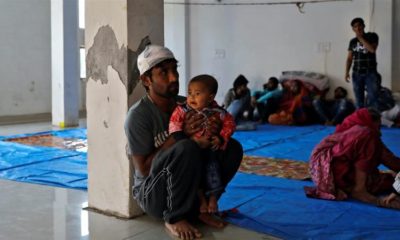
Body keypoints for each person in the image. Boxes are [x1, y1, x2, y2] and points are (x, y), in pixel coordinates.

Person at [124, 45, 243, 240]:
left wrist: (216, 132)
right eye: (164, 72)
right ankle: (174, 216)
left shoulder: (189, 104)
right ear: (146, 80)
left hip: (189, 186)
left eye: (175, 69)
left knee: (232, 147)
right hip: (153, 193)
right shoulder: (138, 116)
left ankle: (201, 207)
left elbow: (221, 120)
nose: (174, 77)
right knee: (186, 146)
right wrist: (180, 135)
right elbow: (144, 170)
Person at [305, 108, 400, 210]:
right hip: (329, 170)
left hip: (323, 175)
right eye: (378, 127)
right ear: (370, 122)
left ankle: (347, 187)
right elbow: (389, 159)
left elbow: (391, 161)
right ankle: (359, 190)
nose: (380, 132)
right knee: (368, 134)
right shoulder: (364, 132)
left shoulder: (351, 130)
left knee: (389, 180)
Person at [169, 74, 236, 214]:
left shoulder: (219, 112)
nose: (192, 97)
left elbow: (230, 124)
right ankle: (201, 200)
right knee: (196, 172)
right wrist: (185, 142)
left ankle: (213, 197)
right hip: (192, 149)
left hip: (211, 149)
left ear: (211, 98)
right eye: (189, 93)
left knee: (213, 170)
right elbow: (174, 126)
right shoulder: (182, 110)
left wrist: (221, 138)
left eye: (197, 94)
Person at [345, 17, 380, 109]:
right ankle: (360, 120)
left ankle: (372, 121)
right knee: (358, 100)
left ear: (364, 26)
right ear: (353, 29)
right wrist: (346, 72)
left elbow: (372, 50)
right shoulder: (352, 41)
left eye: (360, 25)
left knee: (373, 98)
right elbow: (349, 58)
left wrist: (360, 38)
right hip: (356, 74)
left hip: (370, 73)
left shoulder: (372, 36)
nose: (358, 28)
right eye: (355, 26)